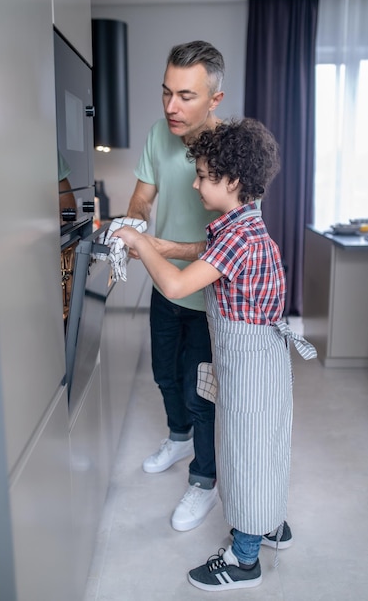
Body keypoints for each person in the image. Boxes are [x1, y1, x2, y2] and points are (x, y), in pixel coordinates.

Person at [115, 118, 317, 590]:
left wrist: (142, 243)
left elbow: (178, 284)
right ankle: (271, 525)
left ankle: (245, 558)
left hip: (250, 365)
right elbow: (201, 254)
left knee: (244, 455)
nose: (194, 182)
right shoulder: (240, 225)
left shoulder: (237, 237)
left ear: (234, 182)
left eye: (204, 175)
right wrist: (159, 244)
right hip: (256, 359)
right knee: (266, 447)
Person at [125, 40, 225, 532]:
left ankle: (204, 481)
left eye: (185, 95)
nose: (171, 107)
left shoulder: (231, 151)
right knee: (165, 375)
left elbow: (231, 239)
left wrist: (161, 248)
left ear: (214, 100)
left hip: (210, 301)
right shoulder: (158, 135)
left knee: (199, 392)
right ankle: (177, 437)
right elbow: (142, 198)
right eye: (166, 92)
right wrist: (135, 224)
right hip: (165, 292)